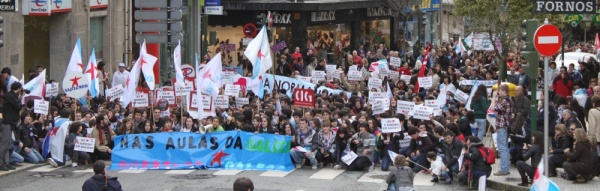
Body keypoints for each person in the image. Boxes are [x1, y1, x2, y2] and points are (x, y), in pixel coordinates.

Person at [1, 82, 22, 171]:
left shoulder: (11, 96)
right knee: (4, 144)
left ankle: (6, 162)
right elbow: (18, 106)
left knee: (8, 144)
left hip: (10, 123)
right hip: (7, 123)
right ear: (18, 88)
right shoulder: (11, 96)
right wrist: (20, 98)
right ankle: (1, 163)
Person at [491, 84, 511, 176]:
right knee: (505, 148)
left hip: (502, 126)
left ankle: (503, 169)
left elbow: (492, 108)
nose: (498, 92)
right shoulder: (509, 100)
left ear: (503, 91)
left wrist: (494, 97)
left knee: (502, 148)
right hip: (505, 126)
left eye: (499, 90)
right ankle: (506, 168)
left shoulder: (504, 101)